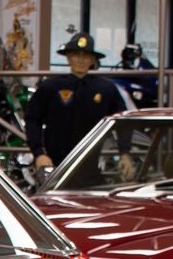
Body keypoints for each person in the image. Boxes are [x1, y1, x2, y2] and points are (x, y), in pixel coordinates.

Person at [25, 32, 132, 173]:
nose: (81, 60)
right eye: (76, 55)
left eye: (86, 56)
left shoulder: (106, 89)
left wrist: (125, 153)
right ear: (69, 58)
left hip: (92, 164)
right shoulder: (51, 87)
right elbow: (32, 118)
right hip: (54, 164)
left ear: (93, 60)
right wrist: (38, 153)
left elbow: (123, 121)